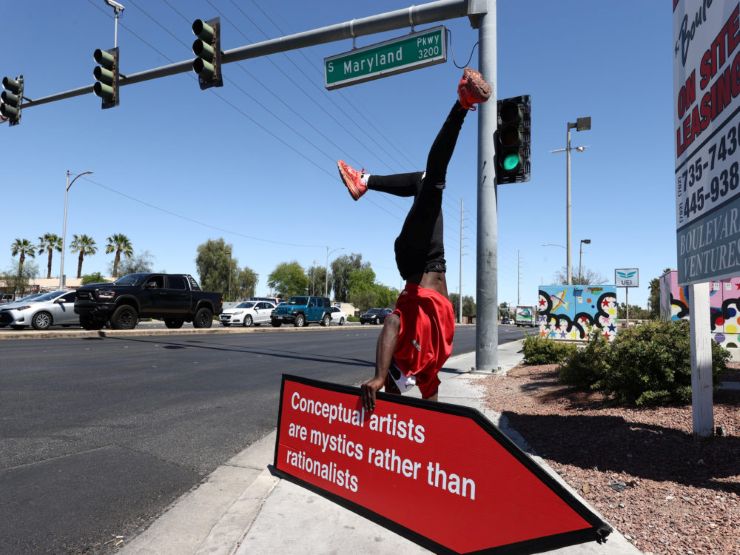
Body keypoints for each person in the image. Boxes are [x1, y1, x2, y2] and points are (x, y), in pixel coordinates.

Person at [336, 68, 491, 412]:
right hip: (434, 257)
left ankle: (462, 104)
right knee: (427, 179)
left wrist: (377, 376)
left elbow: (391, 323)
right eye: (396, 381)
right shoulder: (430, 370)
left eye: (395, 380)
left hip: (413, 261)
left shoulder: (402, 336)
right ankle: (364, 181)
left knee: (434, 177)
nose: (402, 378)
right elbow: (430, 405)